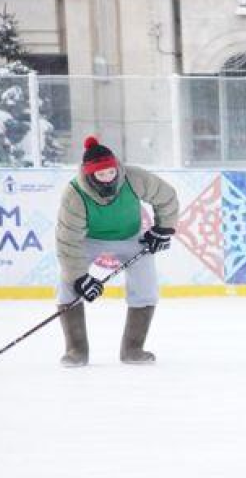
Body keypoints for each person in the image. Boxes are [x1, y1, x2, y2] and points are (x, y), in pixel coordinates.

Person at [55, 136, 178, 367]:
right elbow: (68, 241)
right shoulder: (74, 195)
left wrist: (162, 229)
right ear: (89, 175)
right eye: (101, 175)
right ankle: (76, 350)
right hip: (88, 240)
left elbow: (167, 197)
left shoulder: (133, 177)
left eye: (111, 172)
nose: (108, 178)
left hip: (131, 237)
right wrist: (80, 279)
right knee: (67, 287)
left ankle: (133, 349)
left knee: (146, 287)